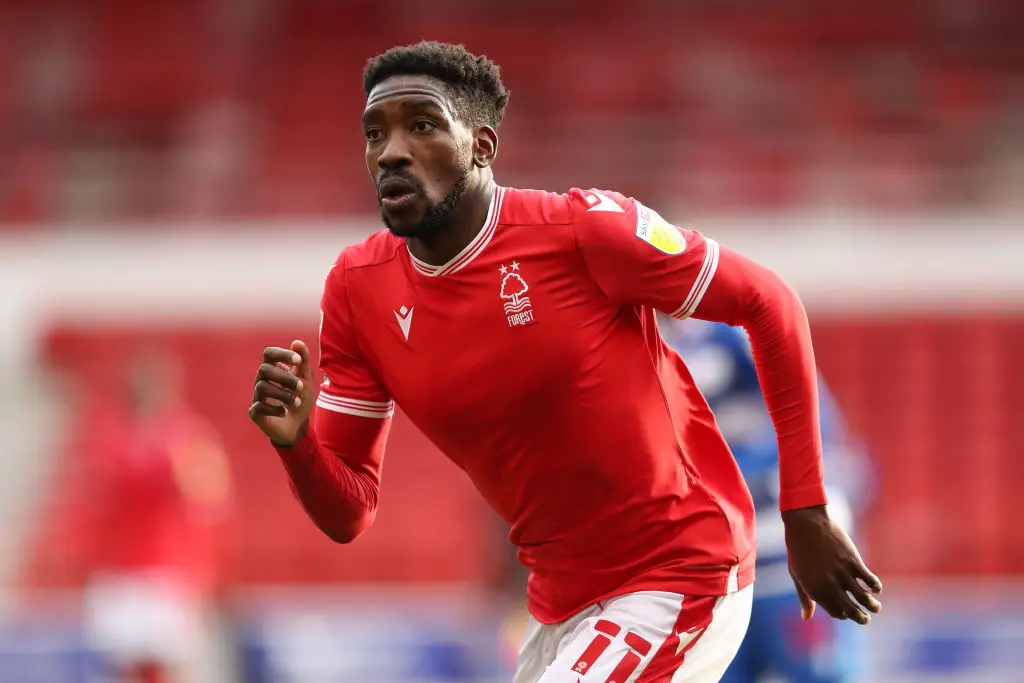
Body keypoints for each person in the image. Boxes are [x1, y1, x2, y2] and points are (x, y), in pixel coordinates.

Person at [248, 41, 882, 683]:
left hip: (679, 571)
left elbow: (770, 302)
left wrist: (807, 512)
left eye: (422, 125)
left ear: (482, 145)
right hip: (560, 603)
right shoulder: (357, 290)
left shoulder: (584, 231)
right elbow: (348, 512)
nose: (391, 152)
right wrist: (298, 445)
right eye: (373, 133)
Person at [659, 317, 873, 683]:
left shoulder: (732, 332)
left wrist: (729, 469)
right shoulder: (640, 347)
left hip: (785, 556)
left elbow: (815, 420)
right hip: (711, 572)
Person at [77, 347, 234, 683]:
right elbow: (97, 500)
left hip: (168, 568)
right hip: (120, 568)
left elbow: (210, 500)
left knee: (162, 665)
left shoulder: (189, 436)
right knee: (124, 663)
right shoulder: (111, 436)